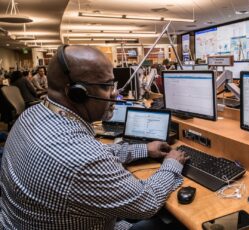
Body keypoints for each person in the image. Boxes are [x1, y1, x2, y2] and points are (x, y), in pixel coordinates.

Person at [0, 45, 188, 229]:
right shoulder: (84, 159)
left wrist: (144, 149)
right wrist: (171, 164)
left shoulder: (31, 115)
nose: (115, 93)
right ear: (76, 93)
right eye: (107, 86)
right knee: (172, 223)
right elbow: (148, 202)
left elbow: (93, 153)